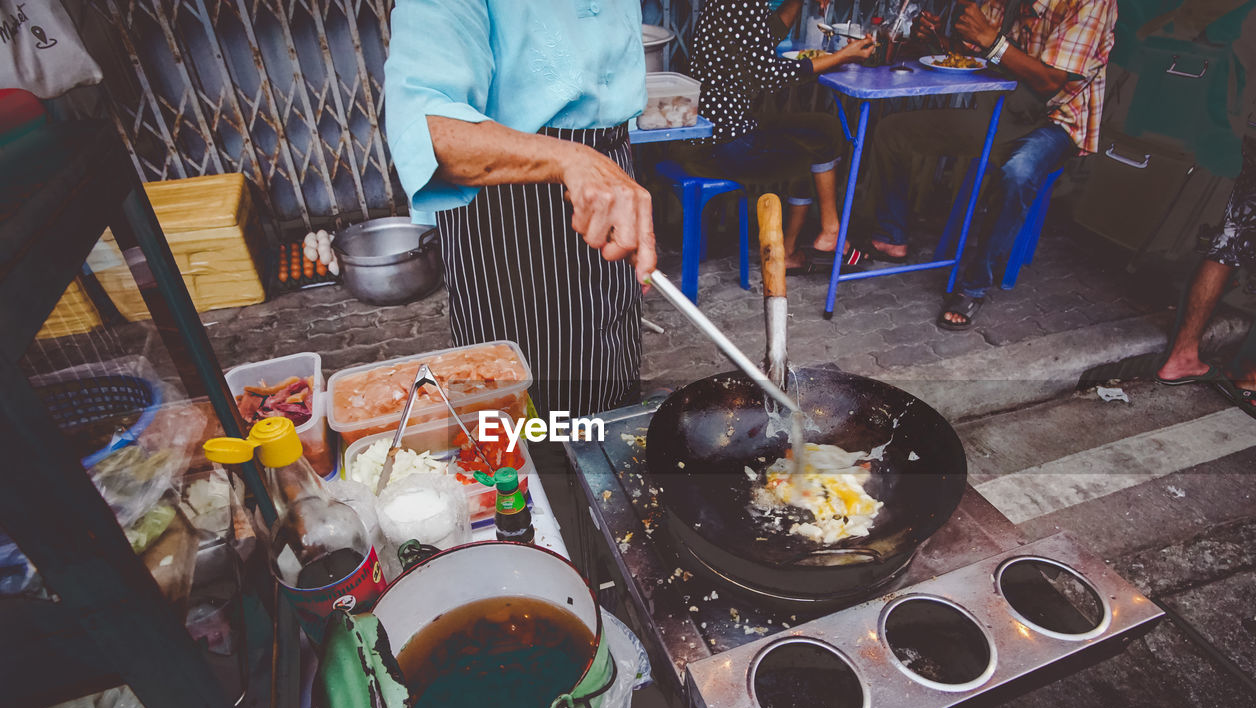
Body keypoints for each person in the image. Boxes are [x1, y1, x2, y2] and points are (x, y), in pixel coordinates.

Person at [383, 2, 655, 419]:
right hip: (510, 203)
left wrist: (602, 173)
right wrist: (572, 161)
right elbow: (425, 127)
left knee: (609, 379)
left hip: (608, 175)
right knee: (524, 403)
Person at [863, 0, 1116, 330]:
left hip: (1057, 122)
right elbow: (977, 53)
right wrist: (937, 40)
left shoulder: (1091, 2)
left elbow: (1048, 81)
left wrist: (992, 40)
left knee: (1018, 172)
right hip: (1004, 114)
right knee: (893, 132)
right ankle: (891, 236)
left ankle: (974, 285)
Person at [1155, 0, 1256, 426]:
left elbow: (1236, 56)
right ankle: (1253, 368)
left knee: (1233, 238)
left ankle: (1182, 354)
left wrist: (1233, 126)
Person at [690, 0, 875, 271]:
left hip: (725, 134)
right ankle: (796, 248)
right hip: (727, 143)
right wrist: (842, 56)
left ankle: (828, 231)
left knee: (823, 128)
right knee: (813, 148)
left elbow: (767, 35)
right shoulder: (741, 4)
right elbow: (769, 75)